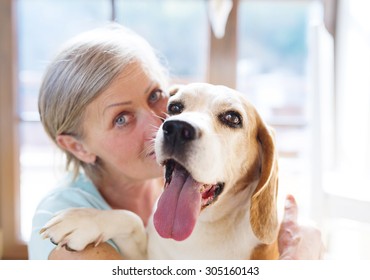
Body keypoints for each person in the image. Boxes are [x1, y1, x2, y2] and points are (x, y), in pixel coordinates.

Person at [28, 24, 323, 260]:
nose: (164, 123)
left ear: (260, 156)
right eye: (121, 118)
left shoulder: (172, 178)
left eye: (157, 97)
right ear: (79, 147)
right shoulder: (58, 217)